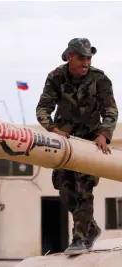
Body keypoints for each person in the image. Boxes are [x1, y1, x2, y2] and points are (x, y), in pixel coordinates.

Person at [36, 38, 119, 255]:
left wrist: (104, 134)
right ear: (69, 57)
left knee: (84, 189)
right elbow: (43, 109)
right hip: (64, 142)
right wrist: (53, 129)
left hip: (90, 143)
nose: (86, 62)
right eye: (81, 58)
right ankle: (90, 227)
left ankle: (80, 238)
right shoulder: (56, 77)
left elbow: (110, 110)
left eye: (89, 58)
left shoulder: (99, 79)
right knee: (65, 190)